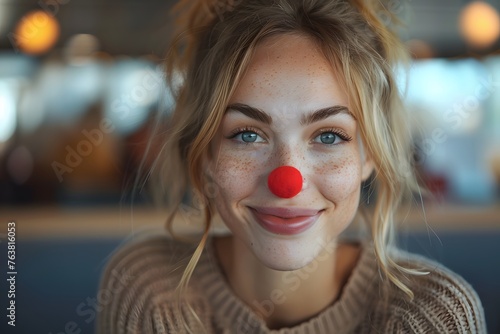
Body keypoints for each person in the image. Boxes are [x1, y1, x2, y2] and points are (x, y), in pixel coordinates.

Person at [96, 0, 487, 333]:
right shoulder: (150, 289)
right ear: (206, 156)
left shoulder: (433, 316)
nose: (289, 181)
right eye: (247, 134)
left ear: (369, 155)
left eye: (329, 136)